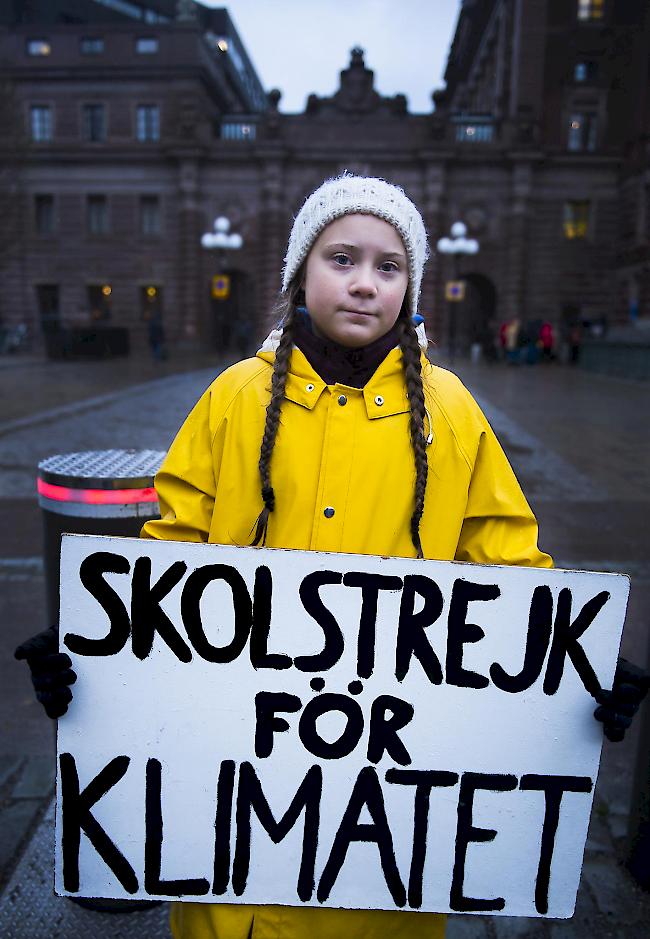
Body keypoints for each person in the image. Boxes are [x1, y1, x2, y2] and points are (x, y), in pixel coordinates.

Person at [15, 175, 649, 938]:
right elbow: (170, 557)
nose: (363, 283)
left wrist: (574, 671)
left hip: (383, 863)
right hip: (234, 860)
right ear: (299, 274)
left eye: (389, 266)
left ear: (411, 285)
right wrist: (99, 652)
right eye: (341, 257)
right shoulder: (234, 397)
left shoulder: (450, 410)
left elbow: (508, 564)